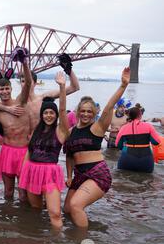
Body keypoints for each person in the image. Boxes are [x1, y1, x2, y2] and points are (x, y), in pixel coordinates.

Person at [64, 67, 130, 228]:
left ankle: (83, 243)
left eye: (89, 111)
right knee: (66, 210)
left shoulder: (97, 127)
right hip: (79, 174)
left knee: (75, 206)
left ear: (93, 113)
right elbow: (69, 156)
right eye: (83, 111)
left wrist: (123, 85)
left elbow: (109, 106)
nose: (85, 114)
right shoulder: (71, 131)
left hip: (97, 173)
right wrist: (69, 176)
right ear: (77, 112)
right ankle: (79, 233)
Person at [19, 72, 70, 229]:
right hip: (32, 171)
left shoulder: (61, 131)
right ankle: (38, 237)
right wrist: (23, 173)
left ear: (55, 115)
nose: (49, 115)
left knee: (54, 212)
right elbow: (29, 151)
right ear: (42, 115)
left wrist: (62, 87)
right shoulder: (37, 131)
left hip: (50, 173)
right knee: (36, 210)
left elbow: (62, 110)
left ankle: (57, 242)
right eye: (46, 113)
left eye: (51, 113)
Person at [0, 47, 33, 201]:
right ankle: (7, 222)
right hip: (7, 151)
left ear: (11, 88)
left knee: (23, 193)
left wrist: (24, 63)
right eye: (1, 89)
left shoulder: (20, 102)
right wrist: (6, 108)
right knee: (8, 192)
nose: (4, 91)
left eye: (7, 88)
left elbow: (28, 83)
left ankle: (23, 223)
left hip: (23, 151)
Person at [115, 106, 161, 173]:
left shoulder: (123, 128)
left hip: (127, 158)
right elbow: (156, 142)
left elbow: (118, 145)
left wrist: (125, 148)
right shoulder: (149, 126)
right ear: (140, 115)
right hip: (146, 160)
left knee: (123, 177)